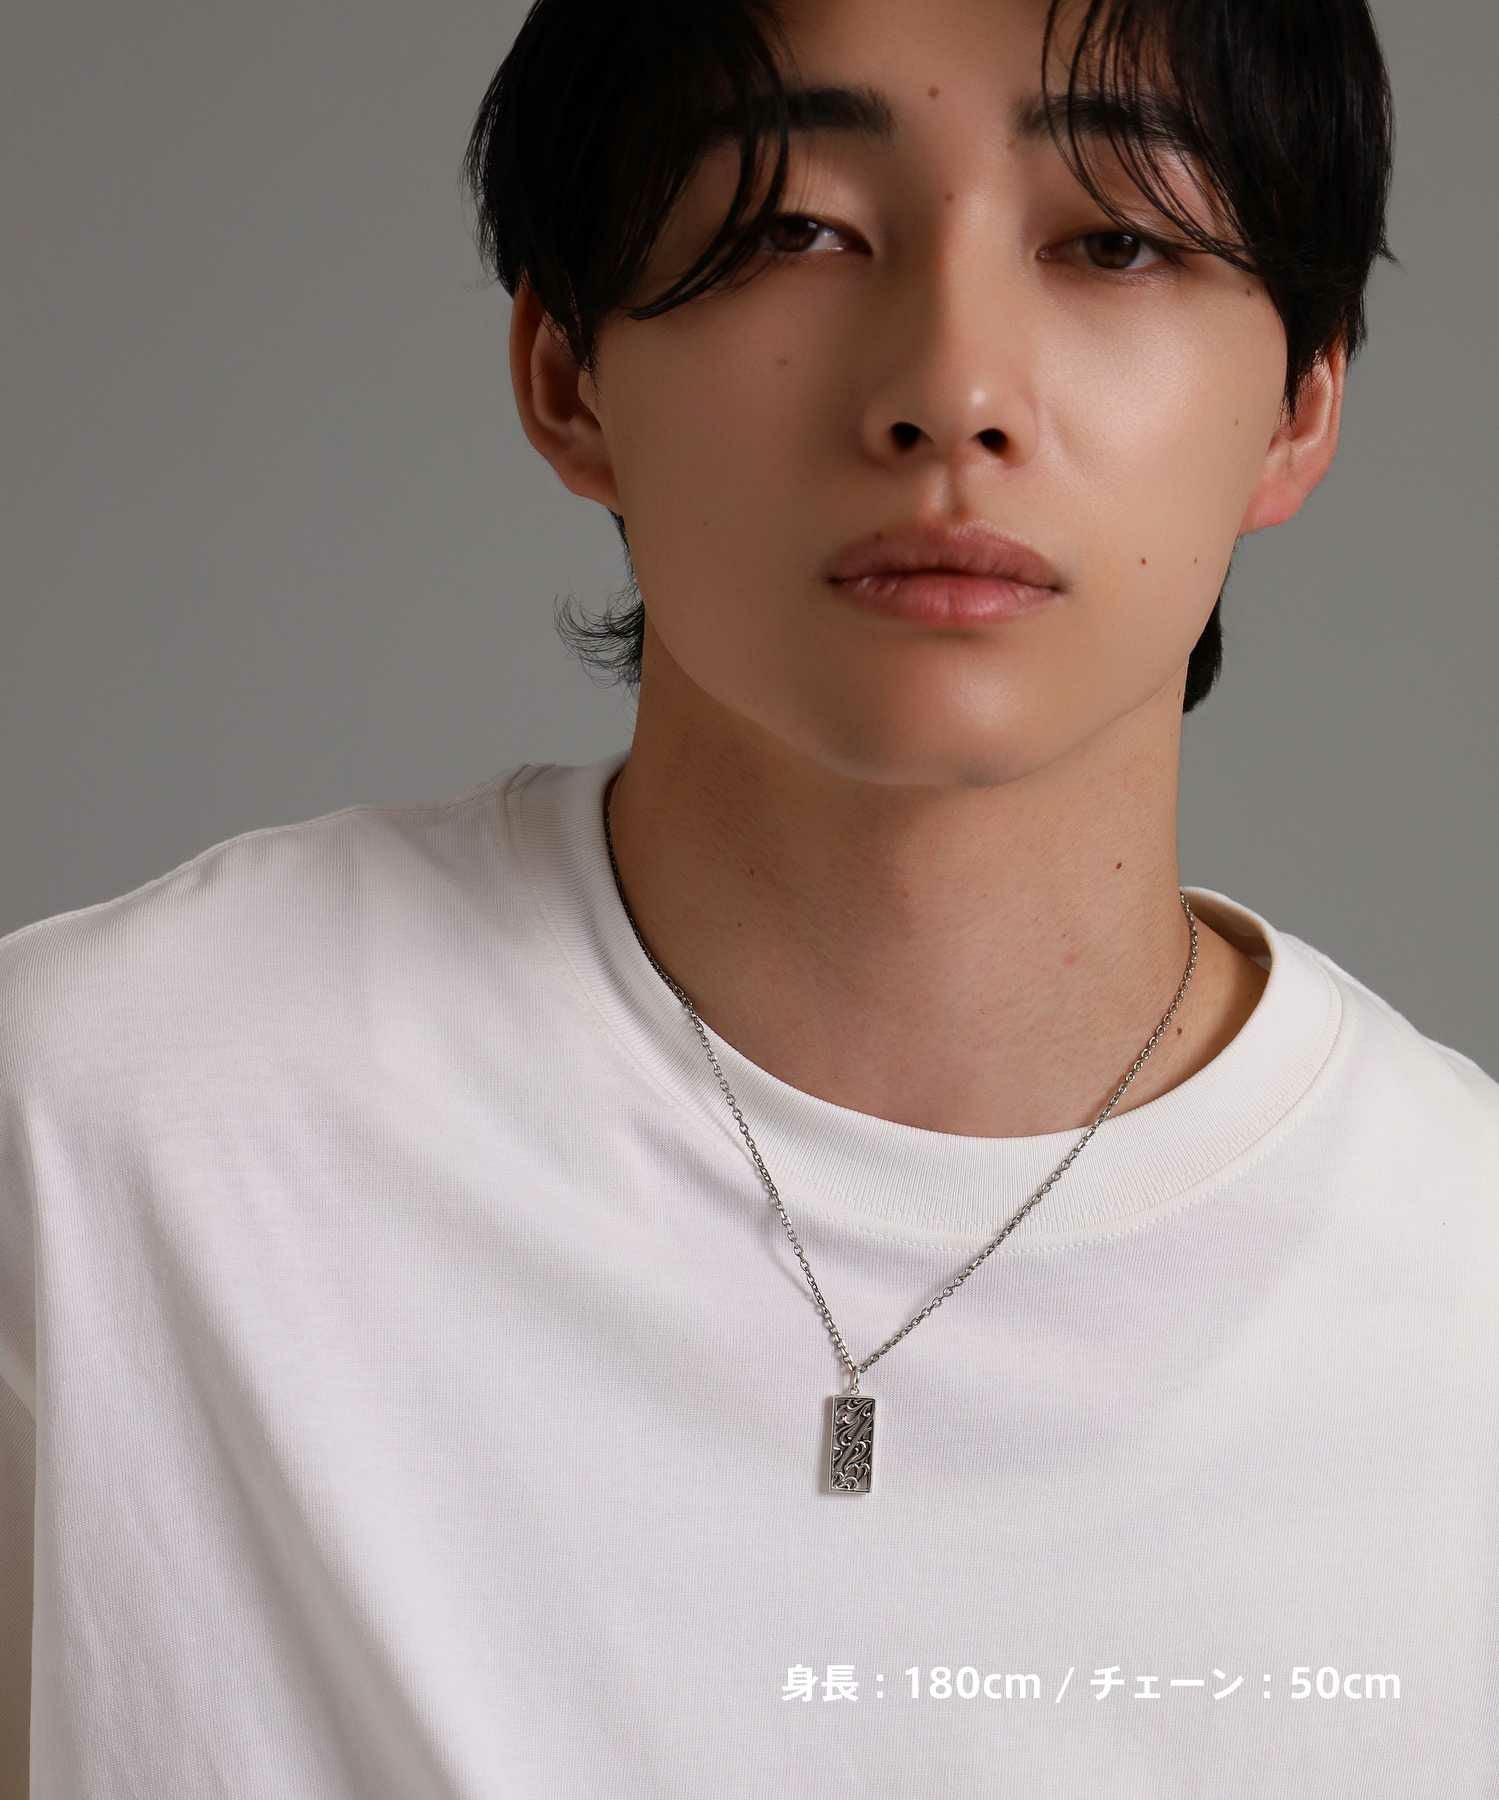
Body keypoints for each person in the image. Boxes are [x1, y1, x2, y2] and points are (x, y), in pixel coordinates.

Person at [1, 0, 1494, 1792]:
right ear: (568, 375)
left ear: (1301, 401)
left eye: (1115, 240)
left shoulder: (1465, 1310)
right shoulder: (98, 1148)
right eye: (796, 225)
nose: (952, 391)